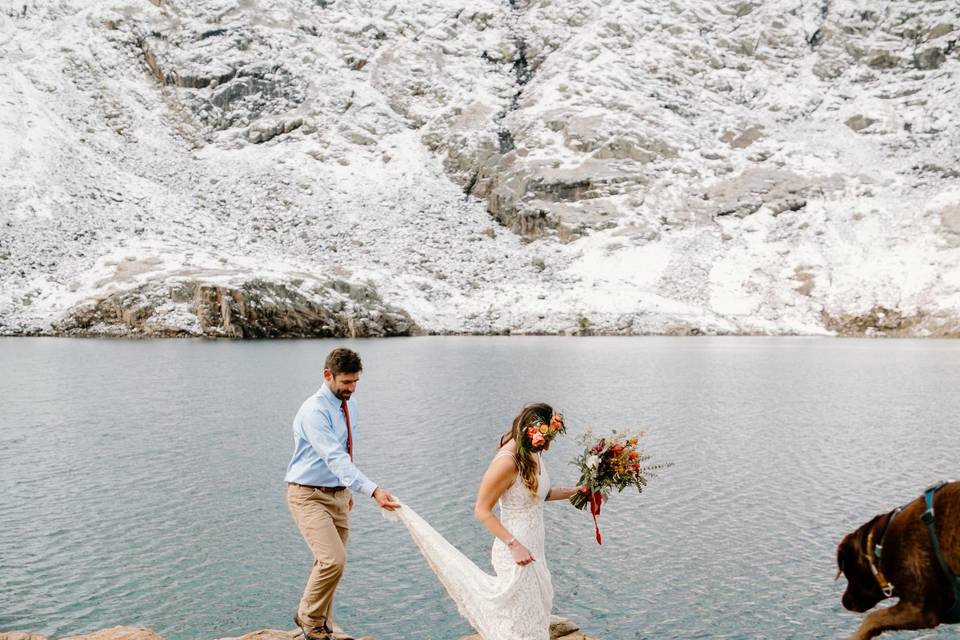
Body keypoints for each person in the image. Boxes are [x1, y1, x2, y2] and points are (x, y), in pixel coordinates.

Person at [385, 402, 583, 640]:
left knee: (535, 619)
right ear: (534, 431)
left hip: (534, 550)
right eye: (548, 438)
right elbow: (481, 510)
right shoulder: (506, 461)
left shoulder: (531, 451)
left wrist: (577, 491)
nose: (549, 446)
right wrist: (514, 545)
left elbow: (542, 494)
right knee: (523, 628)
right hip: (515, 553)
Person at [285, 347, 400, 640]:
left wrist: (347, 488)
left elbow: (346, 455)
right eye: (346, 382)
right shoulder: (314, 411)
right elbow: (334, 457)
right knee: (332, 560)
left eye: (355, 382)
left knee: (332, 565)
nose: (352, 388)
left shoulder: (352, 406)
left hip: (337, 495)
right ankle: (308, 617)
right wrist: (372, 491)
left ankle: (324, 627)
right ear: (328, 375)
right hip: (307, 494)